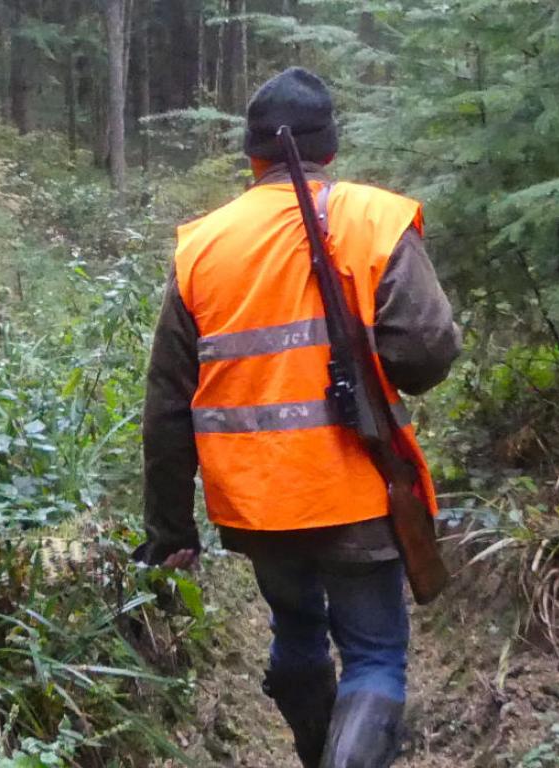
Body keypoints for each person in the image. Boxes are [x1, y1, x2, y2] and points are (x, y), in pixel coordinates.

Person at [134, 67, 461, 768]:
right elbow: (428, 353)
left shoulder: (202, 246)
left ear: (249, 155)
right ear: (331, 149)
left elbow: (166, 404)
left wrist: (169, 529)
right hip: (357, 491)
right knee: (374, 654)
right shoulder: (375, 221)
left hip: (255, 503)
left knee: (297, 630)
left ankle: (316, 752)